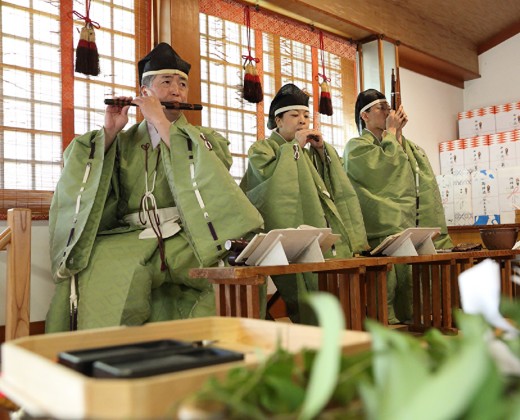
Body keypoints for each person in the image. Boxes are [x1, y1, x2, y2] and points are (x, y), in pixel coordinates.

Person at [46, 43, 264, 332]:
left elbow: (215, 172)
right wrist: (110, 131)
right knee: (96, 273)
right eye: (166, 82)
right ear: (144, 91)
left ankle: (207, 351)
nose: (177, 90)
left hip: (189, 234)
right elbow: (81, 176)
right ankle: (113, 357)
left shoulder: (204, 137)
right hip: (132, 235)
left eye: (182, 83)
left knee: (237, 269)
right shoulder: (123, 141)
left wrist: (161, 121)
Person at [240, 83, 369, 323]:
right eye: (294, 115)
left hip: (313, 231)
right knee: (300, 289)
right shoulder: (262, 149)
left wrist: (322, 151)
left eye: (306, 115)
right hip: (276, 233)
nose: (303, 120)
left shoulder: (307, 153)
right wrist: (295, 148)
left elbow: (333, 187)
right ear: (278, 120)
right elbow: (268, 188)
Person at [343, 88, 453, 324]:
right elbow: (384, 173)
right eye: (381, 108)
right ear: (365, 116)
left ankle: (419, 321)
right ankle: (387, 325)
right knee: (388, 286)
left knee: (414, 281)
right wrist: (392, 132)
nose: (388, 112)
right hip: (382, 227)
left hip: (410, 223)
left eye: (388, 107)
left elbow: (412, 181)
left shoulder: (403, 144)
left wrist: (396, 135)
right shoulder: (356, 147)